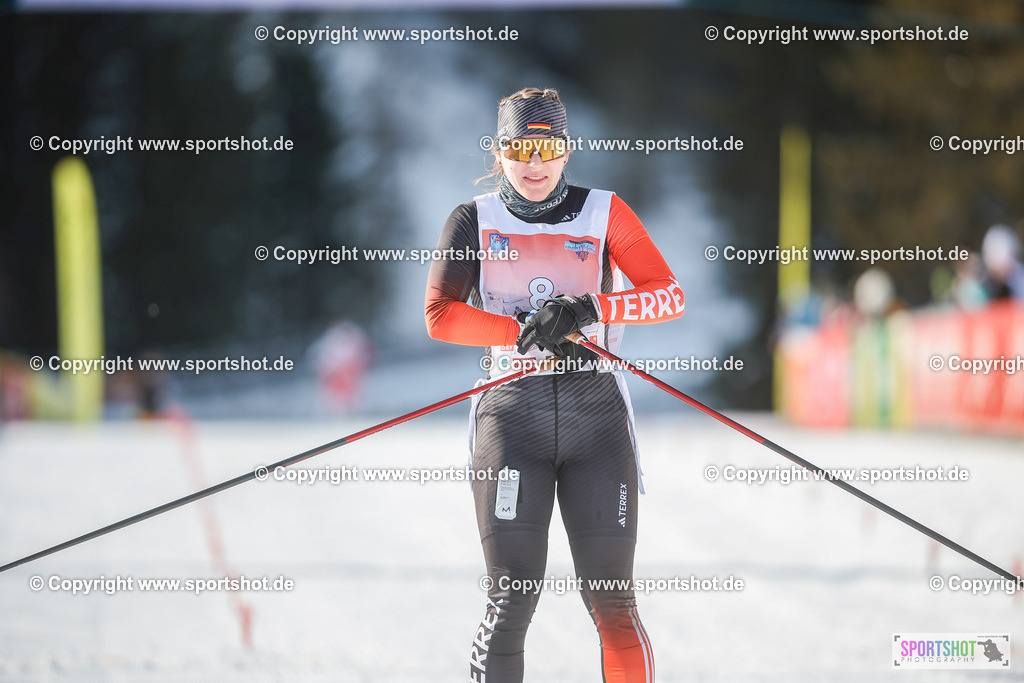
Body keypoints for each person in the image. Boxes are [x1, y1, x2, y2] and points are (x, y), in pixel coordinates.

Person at [424, 87, 684, 683]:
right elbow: (440, 315)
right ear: (499, 152)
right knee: (512, 599)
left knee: (613, 602)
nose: (535, 163)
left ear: (567, 151)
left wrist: (587, 309)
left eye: (548, 147)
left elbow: (667, 294)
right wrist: (521, 327)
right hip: (512, 417)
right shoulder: (473, 219)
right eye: (520, 148)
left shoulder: (606, 212)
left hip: (597, 419)